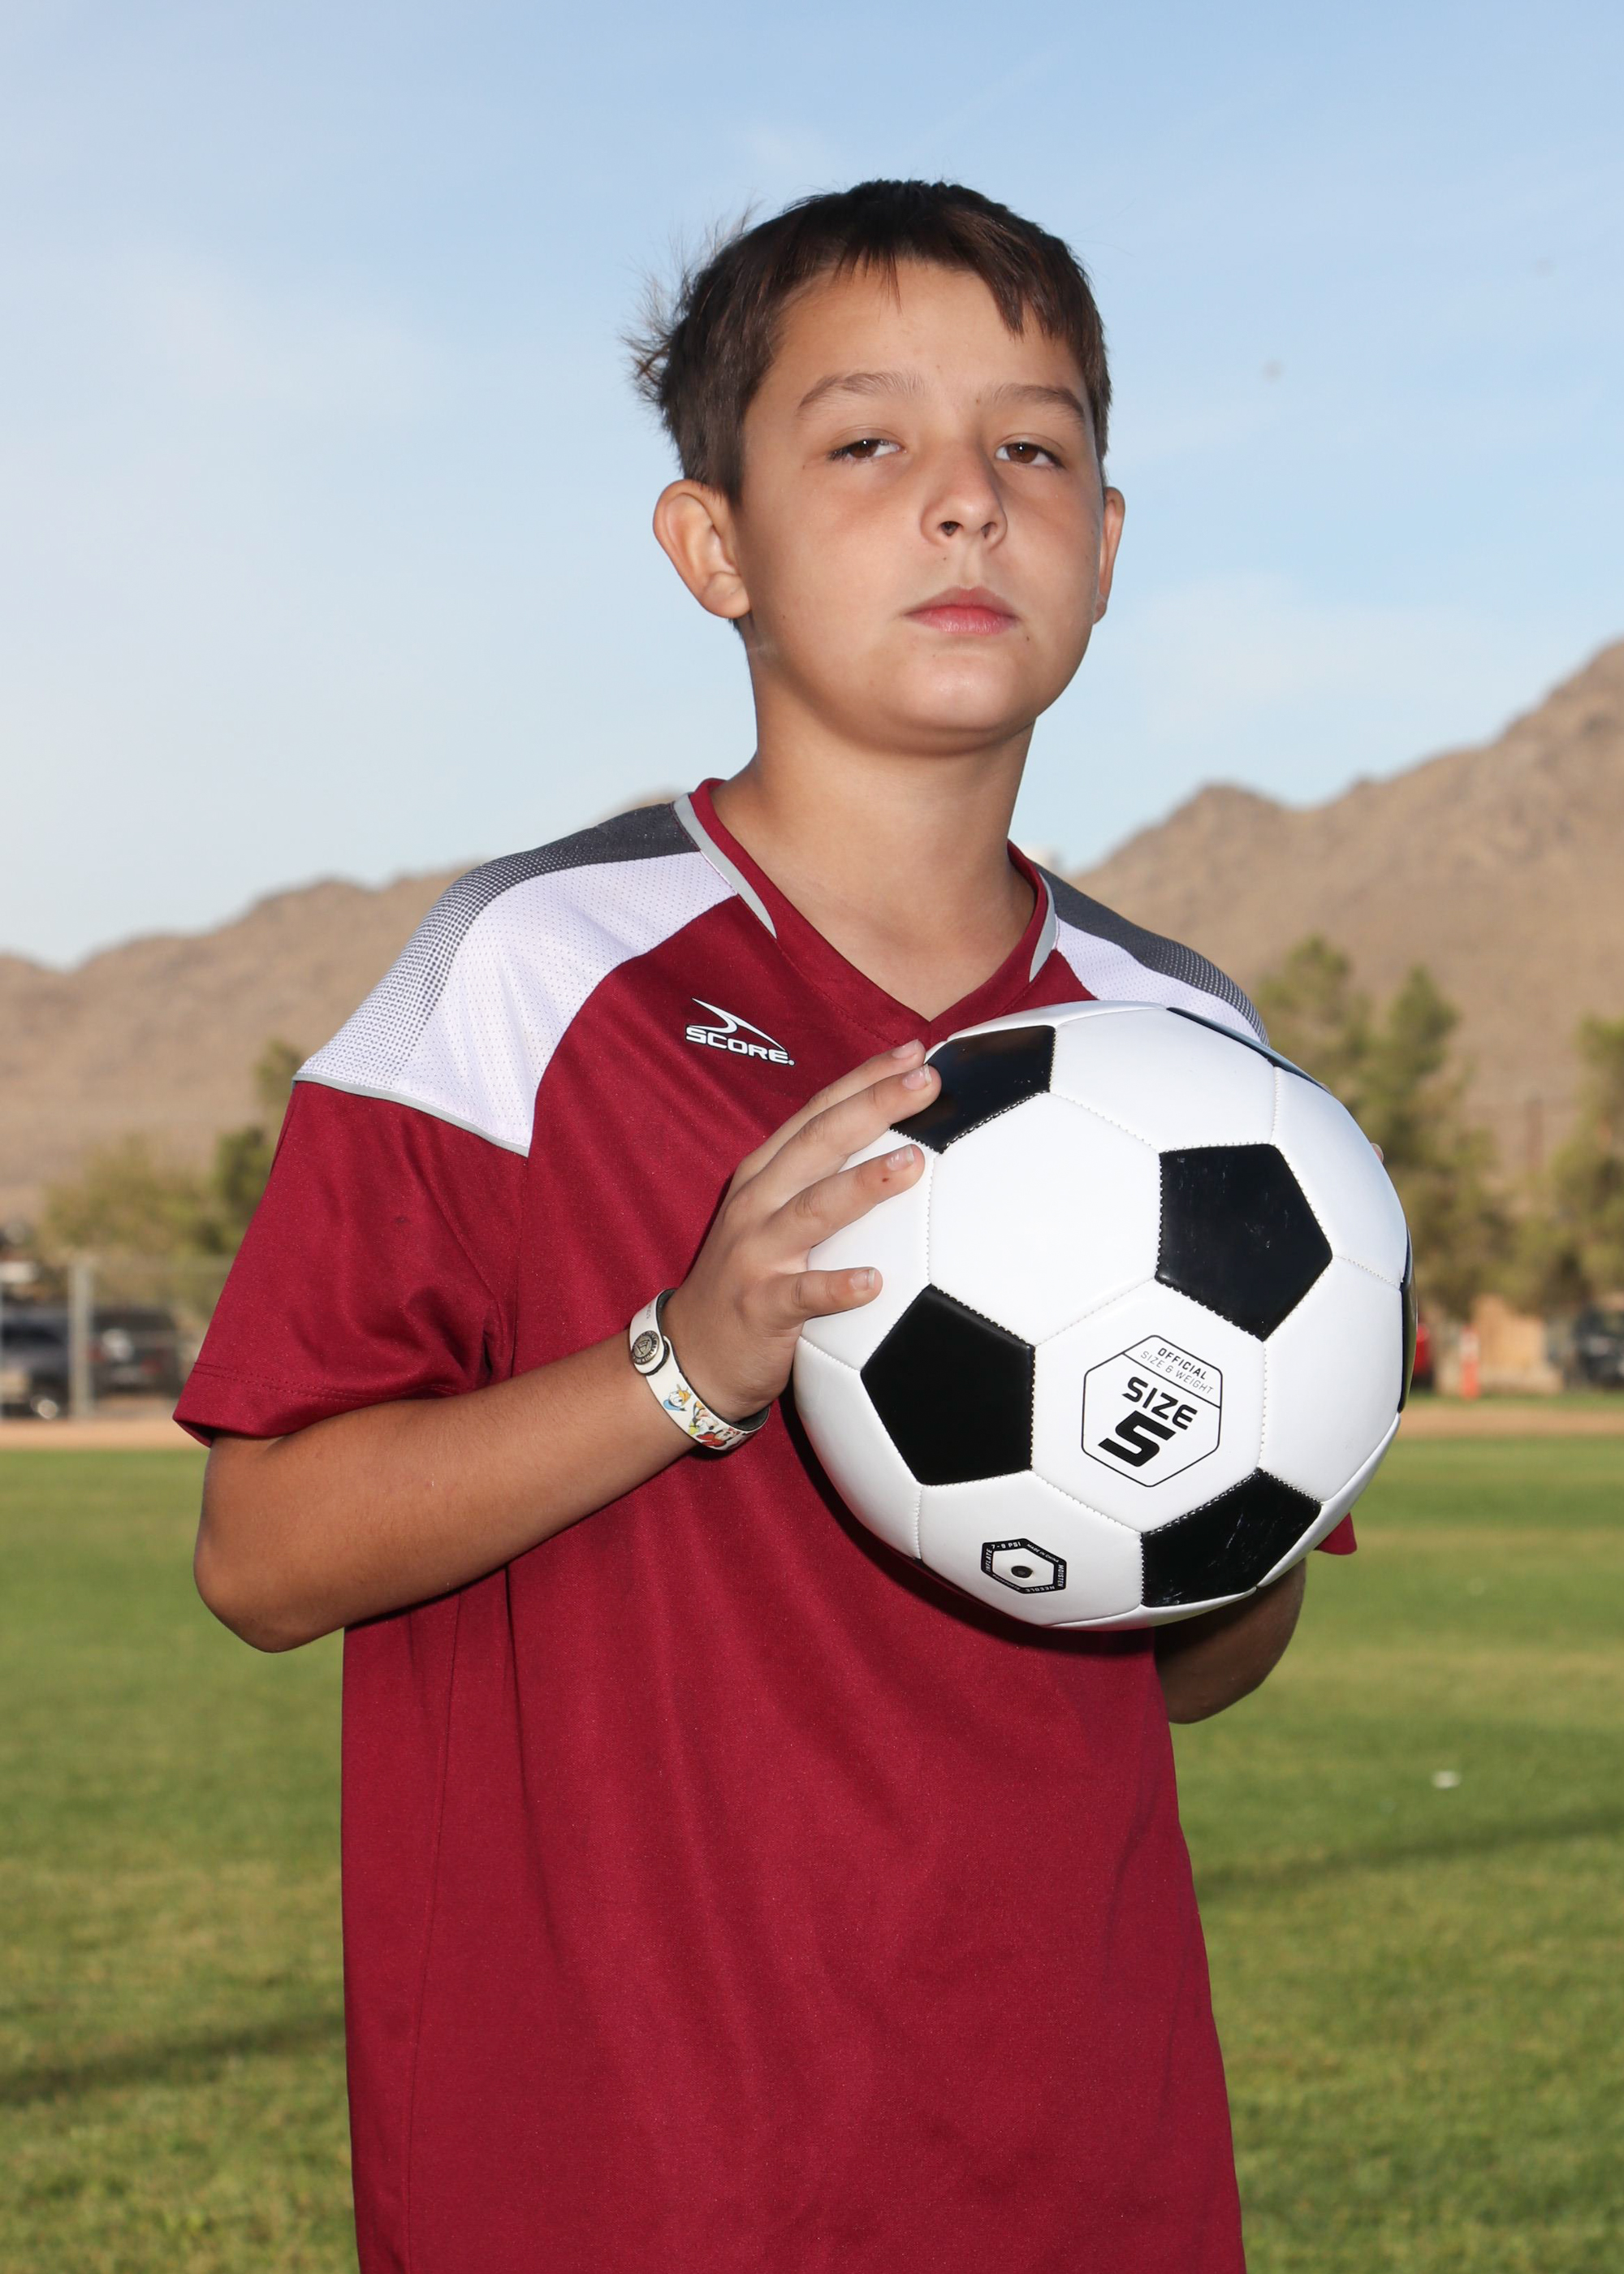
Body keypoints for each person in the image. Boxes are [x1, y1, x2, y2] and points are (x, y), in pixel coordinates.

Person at [185, 179, 1354, 2274]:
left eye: (1035, 447)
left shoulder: (1190, 1054)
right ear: (712, 544)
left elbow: (1200, 1670)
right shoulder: (528, 970)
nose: (969, 500)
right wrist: (684, 1364)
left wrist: (1263, 1459)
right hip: (611, 2179)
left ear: (1107, 543)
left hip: (1080, 2174)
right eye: (867, 441)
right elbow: (262, 1558)